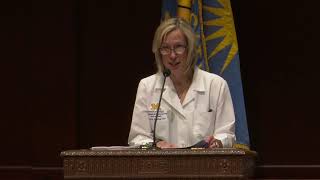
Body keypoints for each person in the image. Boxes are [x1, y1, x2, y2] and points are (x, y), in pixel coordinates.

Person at [128, 18, 235, 149]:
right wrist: (155, 145)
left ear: (190, 49)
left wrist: (218, 142)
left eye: (178, 47)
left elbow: (227, 134)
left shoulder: (216, 85)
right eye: (165, 48)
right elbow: (138, 138)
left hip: (204, 166)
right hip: (162, 166)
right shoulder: (147, 86)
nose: (172, 55)